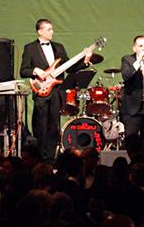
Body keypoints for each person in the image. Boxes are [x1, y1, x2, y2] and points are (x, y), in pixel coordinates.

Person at [20, 19, 91, 161]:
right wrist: (35, 70)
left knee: (54, 125)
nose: (52, 32)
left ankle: (51, 158)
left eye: (52, 29)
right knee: (40, 125)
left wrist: (85, 61)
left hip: (57, 91)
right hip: (41, 92)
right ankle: (40, 158)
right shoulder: (30, 48)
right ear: (40, 31)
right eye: (48, 29)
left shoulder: (59, 47)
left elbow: (70, 68)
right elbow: (23, 71)